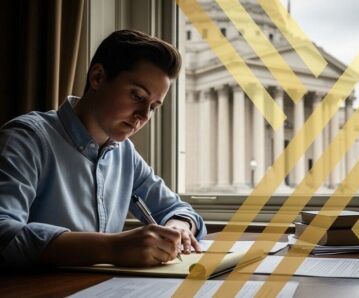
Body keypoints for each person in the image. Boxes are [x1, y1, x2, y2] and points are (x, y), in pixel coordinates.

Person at [0, 29, 206, 267]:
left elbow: (177, 209)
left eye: (153, 107)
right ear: (97, 77)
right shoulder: (26, 140)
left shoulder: (124, 153)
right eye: (137, 96)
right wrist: (111, 247)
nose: (143, 116)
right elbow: (3, 232)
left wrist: (178, 227)